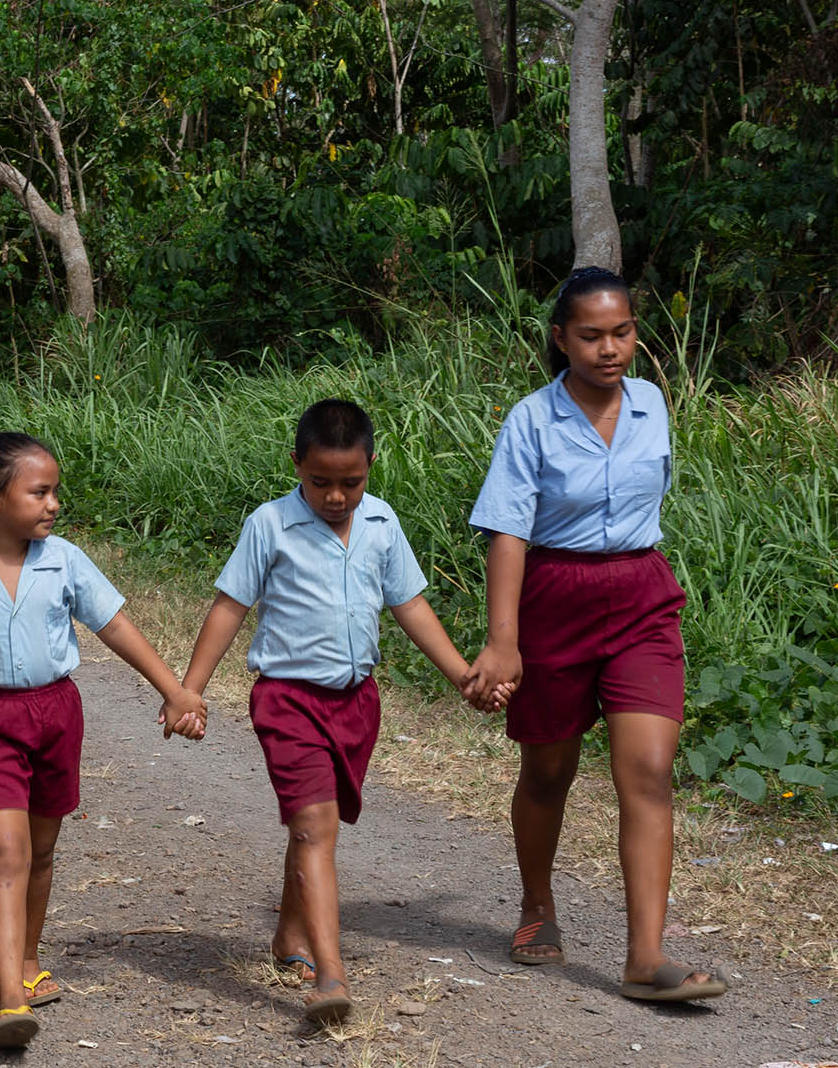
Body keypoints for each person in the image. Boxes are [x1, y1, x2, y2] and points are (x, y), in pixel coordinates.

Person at [179, 399, 503, 1027]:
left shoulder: (382, 523)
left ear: (371, 467)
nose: (335, 496)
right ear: (296, 464)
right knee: (313, 828)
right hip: (287, 699)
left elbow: (410, 606)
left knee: (316, 826)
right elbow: (229, 607)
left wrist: (464, 675)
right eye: (320, 481)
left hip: (357, 703)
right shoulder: (269, 525)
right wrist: (189, 690)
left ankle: (288, 937)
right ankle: (330, 976)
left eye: (350, 482)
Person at [460, 267, 727, 1002]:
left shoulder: (651, 404)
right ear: (559, 339)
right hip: (555, 597)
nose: (610, 349)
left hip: (641, 596)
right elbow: (509, 534)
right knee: (548, 772)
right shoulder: (531, 421)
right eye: (591, 335)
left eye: (622, 333)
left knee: (646, 771)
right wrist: (503, 640)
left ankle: (646, 956)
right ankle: (537, 907)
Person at [0, 432, 207, 1049]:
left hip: (56, 713)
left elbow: (116, 626)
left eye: (54, 491)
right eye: (40, 491)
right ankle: (11, 1001)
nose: (53, 502)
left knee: (39, 851)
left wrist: (175, 691)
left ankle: (28, 963)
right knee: (4, 854)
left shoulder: (65, 559)